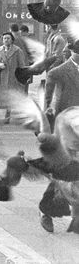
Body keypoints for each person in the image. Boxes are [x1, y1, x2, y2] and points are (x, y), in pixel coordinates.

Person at [39, 39, 79, 234]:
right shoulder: (58, 73)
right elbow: (49, 106)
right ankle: (46, 211)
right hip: (65, 131)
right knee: (62, 173)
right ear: (73, 53)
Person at [0, 32, 27, 122]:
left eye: (8, 38)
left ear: (12, 40)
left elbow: (22, 64)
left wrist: (22, 76)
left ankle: (10, 114)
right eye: (4, 38)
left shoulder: (17, 51)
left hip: (13, 77)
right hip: (2, 77)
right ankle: (8, 113)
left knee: (14, 96)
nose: (6, 40)